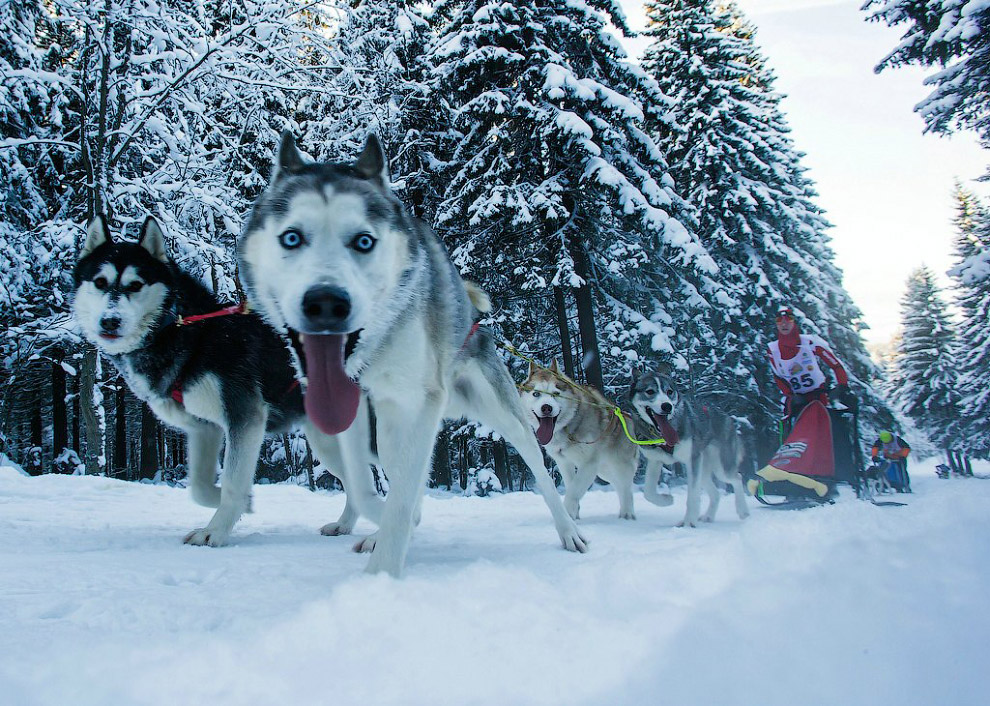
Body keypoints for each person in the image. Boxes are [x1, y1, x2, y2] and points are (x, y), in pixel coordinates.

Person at [766, 305, 855, 421]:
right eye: (779, 321)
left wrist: (842, 386)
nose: (784, 324)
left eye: (788, 320)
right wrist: (790, 395)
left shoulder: (810, 342)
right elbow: (778, 377)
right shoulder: (773, 350)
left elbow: (836, 365)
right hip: (797, 402)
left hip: (820, 397)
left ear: (794, 323)